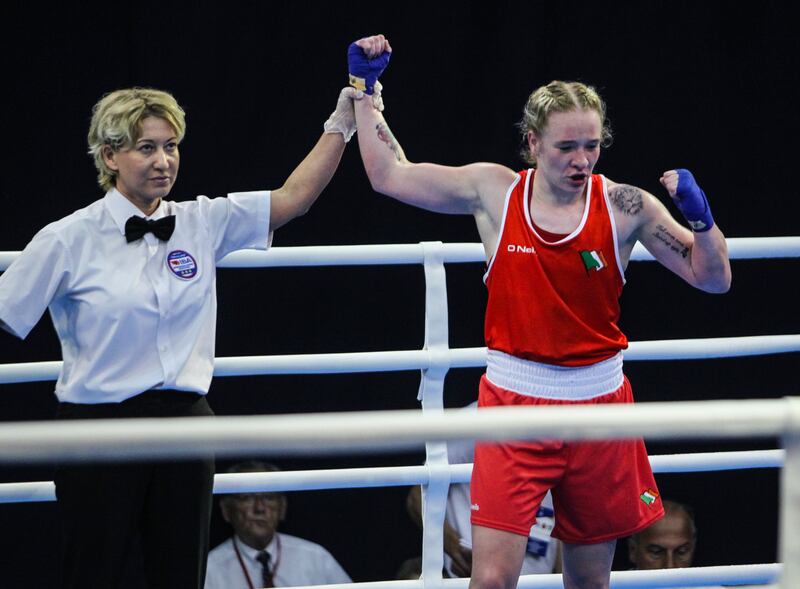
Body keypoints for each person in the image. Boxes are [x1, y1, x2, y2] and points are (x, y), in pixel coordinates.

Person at [349, 35, 731, 589]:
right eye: (566, 147)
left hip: (600, 408)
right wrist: (366, 91)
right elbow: (391, 175)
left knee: (588, 583)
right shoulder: (495, 192)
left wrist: (702, 221)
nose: (581, 160)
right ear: (532, 142)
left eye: (592, 146)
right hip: (513, 403)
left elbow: (712, 278)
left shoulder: (625, 206)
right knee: (492, 582)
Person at [0, 83, 362, 588]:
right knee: (91, 574)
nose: (163, 161)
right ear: (110, 155)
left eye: (170, 146)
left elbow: (293, 199)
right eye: (146, 147)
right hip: (97, 429)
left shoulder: (201, 222)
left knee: (180, 577)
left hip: (185, 427)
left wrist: (342, 119)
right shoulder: (66, 239)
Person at [406, 403, 560, 578]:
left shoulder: (563, 416)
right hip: (476, 578)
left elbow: (567, 512)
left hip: (540, 581)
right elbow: (418, 497)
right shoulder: (473, 421)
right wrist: (455, 550)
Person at [205, 461, 351, 589]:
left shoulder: (316, 558)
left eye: (268, 497)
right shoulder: (209, 569)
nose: (260, 508)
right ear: (226, 510)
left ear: (282, 508)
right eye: (247, 497)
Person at [627, 500, 696, 570]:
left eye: (681, 552)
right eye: (656, 552)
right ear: (633, 550)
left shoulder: (705, 579)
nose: (670, 566)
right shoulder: (618, 580)